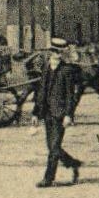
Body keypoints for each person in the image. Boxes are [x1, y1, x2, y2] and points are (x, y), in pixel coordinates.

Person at [33, 38, 82, 187]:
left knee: (54, 147)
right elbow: (40, 92)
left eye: (59, 52)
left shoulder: (66, 70)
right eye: (54, 52)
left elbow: (70, 95)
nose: (56, 55)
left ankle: (48, 178)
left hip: (60, 114)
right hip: (47, 113)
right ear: (50, 52)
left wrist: (69, 115)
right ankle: (73, 163)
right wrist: (35, 113)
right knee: (52, 147)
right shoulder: (46, 68)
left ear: (62, 54)